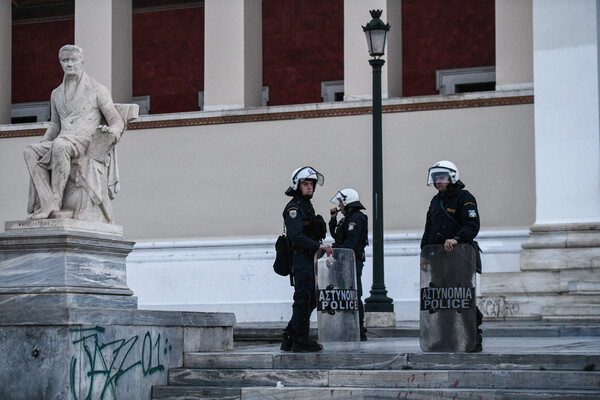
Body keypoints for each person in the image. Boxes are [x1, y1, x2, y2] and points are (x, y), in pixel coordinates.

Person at [23, 44, 124, 221]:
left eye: (73, 60)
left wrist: (111, 131)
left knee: (60, 145)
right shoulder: (56, 93)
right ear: (60, 63)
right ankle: (48, 204)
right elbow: (55, 125)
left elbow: (116, 120)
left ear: (82, 62)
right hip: (63, 140)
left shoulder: (97, 89)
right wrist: (43, 142)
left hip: (85, 141)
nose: (69, 64)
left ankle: (56, 198)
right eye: (65, 60)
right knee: (30, 151)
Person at [420, 160, 483, 352]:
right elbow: (429, 229)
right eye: (436, 178)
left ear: (452, 177)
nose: (438, 181)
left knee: (462, 297)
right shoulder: (435, 201)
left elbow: (472, 225)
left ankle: (474, 339)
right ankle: (446, 339)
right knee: (442, 299)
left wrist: (456, 238)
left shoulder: (465, 198)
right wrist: (424, 253)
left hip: (459, 259)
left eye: (442, 177)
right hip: (439, 260)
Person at [281, 166, 333, 352]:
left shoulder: (306, 206)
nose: (309, 187)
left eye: (311, 184)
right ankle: (300, 339)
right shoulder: (293, 209)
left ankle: (290, 336)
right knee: (304, 298)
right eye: (305, 184)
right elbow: (296, 237)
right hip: (301, 259)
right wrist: (320, 247)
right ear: (297, 185)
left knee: (310, 299)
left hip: (310, 259)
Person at [329, 188, 369, 341]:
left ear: (347, 201)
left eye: (340, 202)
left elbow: (350, 242)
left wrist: (336, 256)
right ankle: (347, 325)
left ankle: (358, 328)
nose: (339, 205)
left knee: (353, 293)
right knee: (344, 293)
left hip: (352, 261)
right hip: (343, 260)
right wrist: (333, 219)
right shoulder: (346, 218)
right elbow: (337, 235)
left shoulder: (356, 218)